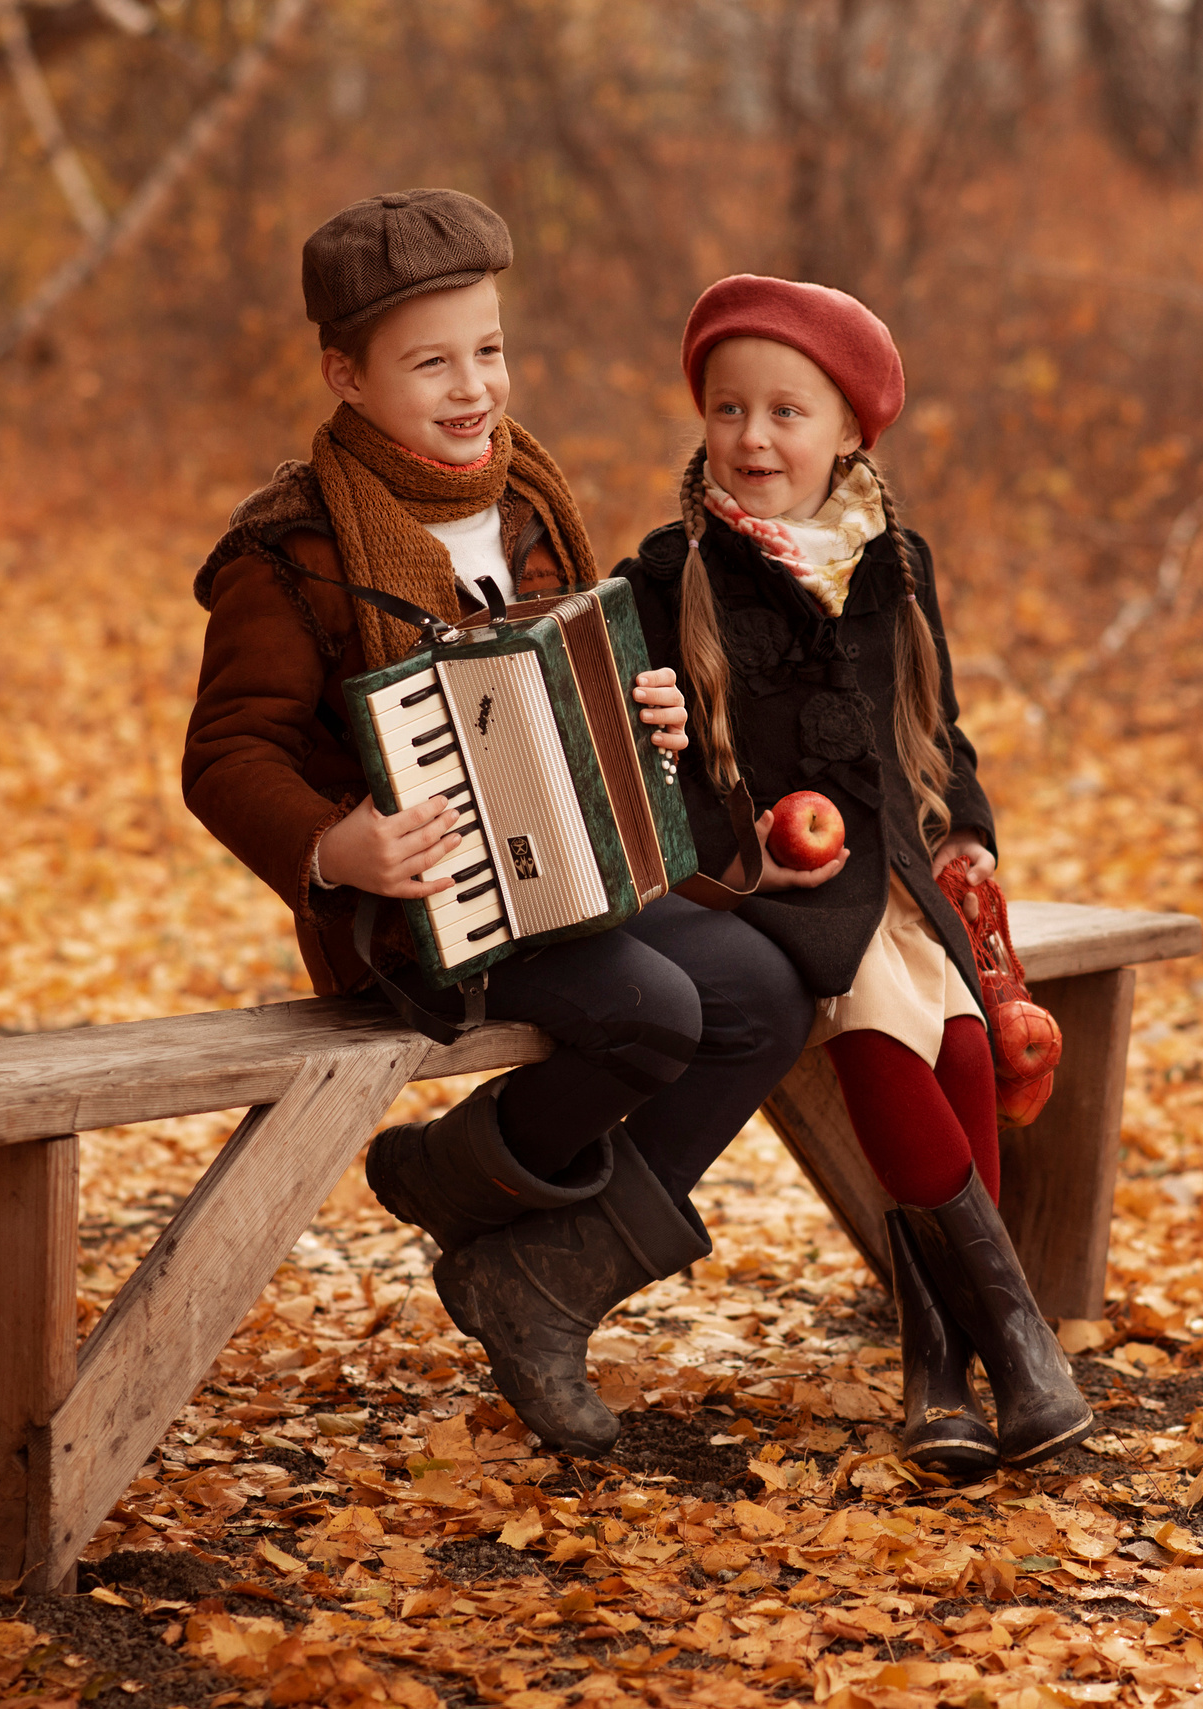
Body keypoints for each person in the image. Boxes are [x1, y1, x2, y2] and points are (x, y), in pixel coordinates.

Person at [183, 195, 810, 1455]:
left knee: (763, 986)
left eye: (489, 350)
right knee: (656, 1008)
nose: (473, 388)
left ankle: (543, 1276)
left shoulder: (528, 499)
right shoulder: (290, 549)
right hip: (420, 913)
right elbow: (226, 754)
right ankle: (454, 1176)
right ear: (345, 375)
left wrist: (648, 717)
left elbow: (561, 686)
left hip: (567, 867)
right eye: (431, 362)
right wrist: (333, 844)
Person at [615, 275, 1093, 1476]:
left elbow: (940, 731)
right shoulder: (672, 575)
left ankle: (944, 1370)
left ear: (848, 433)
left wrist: (968, 834)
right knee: (886, 1033)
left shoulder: (893, 560)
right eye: (729, 410)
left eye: (787, 413)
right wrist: (743, 851)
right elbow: (651, 771)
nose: (754, 438)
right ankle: (1019, 1344)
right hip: (772, 897)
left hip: (896, 879)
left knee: (971, 1049)